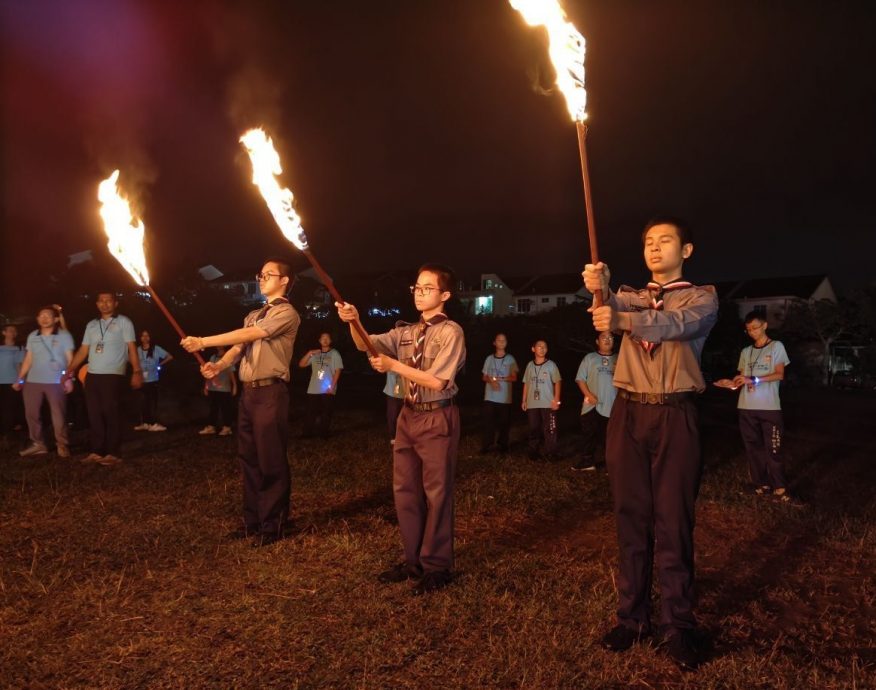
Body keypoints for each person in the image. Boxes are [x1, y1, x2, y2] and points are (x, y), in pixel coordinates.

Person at [583, 216, 718, 671]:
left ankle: (678, 624)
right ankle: (632, 617)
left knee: (674, 520)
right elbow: (606, 301)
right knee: (630, 516)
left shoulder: (702, 298)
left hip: (676, 412)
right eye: (648, 242)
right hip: (628, 412)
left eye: (665, 240)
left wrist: (620, 317)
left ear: (687, 250)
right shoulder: (629, 295)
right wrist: (596, 284)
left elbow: (673, 325)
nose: (655, 248)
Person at [336, 263, 466, 595]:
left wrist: (394, 366)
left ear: (445, 295)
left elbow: (438, 380)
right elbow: (366, 344)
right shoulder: (405, 332)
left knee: (436, 494)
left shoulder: (451, 332)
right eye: (417, 288)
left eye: (427, 288)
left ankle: (437, 566)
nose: (420, 293)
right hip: (408, 415)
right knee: (405, 490)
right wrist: (355, 322)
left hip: (437, 415)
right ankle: (414, 561)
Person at [181, 259, 300, 547]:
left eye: (268, 274)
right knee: (248, 457)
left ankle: (274, 524)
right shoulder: (253, 314)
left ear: (284, 280)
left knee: (270, 458)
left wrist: (203, 341)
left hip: (271, 393)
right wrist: (218, 365)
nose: (261, 278)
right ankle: (253, 521)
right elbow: (239, 347)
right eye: (260, 274)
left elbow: (252, 334)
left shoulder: (286, 313)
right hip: (249, 394)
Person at [715, 312, 793, 502]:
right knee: (753, 448)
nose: (752, 332)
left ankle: (780, 488)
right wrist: (731, 383)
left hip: (770, 408)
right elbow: (741, 378)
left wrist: (755, 379)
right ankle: (761, 485)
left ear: (765, 326)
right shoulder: (746, 352)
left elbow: (779, 374)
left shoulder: (776, 347)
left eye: (755, 328)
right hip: (746, 407)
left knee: (773, 449)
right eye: (748, 330)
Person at [66, 292, 142, 466]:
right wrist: (69, 370)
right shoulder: (92, 325)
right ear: (97, 304)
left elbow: (132, 347)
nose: (105, 304)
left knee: (111, 412)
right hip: (92, 374)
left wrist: (137, 371)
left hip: (113, 374)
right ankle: (97, 451)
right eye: (101, 301)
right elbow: (84, 350)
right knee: (94, 414)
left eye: (108, 301)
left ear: (115, 303)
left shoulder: (124, 322)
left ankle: (114, 452)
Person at [13, 307, 75, 457]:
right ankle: (38, 443)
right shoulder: (33, 336)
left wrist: (69, 379)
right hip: (33, 381)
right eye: (41, 315)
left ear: (55, 319)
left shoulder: (64, 335)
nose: (44, 318)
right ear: (37, 319)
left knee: (58, 414)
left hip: (56, 382)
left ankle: (62, 444)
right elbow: (28, 359)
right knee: (31, 414)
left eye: (48, 316)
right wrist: (20, 378)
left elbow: (70, 359)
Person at [573, 331, 618, 471]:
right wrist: (588, 394)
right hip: (591, 404)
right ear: (597, 341)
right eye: (603, 337)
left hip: (612, 405)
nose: (607, 340)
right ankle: (587, 461)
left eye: (610, 337)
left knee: (609, 437)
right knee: (588, 433)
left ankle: (610, 465)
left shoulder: (619, 358)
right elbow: (580, 379)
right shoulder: (590, 358)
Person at [521, 339, 561, 461]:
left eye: (545, 347)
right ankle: (533, 451)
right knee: (534, 428)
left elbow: (557, 382)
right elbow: (526, 383)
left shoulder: (551, 365)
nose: (542, 348)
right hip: (532, 403)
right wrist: (524, 400)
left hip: (548, 402)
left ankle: (551, 453)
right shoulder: (529, 365)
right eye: (539, 346)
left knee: (550, 428)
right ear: (533, 349)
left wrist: (556, 399)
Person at [298, 332, 343, 438]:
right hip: (313, 388)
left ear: (330, 341)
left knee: (326, 412)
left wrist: (332, 386)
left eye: (327, 338)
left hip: (327, 389)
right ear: (319, 341)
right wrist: (309, 353)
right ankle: (307, 434)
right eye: (323, 338)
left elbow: (338, 370)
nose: (325, 340)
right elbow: (301, 364)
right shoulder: (315, 354)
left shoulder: (334, 353)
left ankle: (323, 433)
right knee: (310, 412)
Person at [480, 333, 518, 455]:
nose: (501, 342)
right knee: (488, 422)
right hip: (490, 397)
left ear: (506, 343)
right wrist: (491, 381)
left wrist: (500, 379)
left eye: (504, 340)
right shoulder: (489, 359)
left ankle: (503, 445)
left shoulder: (510, 359)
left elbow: (514, 377)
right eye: (499, 340)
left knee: (504, 422)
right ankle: (487, 445)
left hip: (504, 397)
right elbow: (484, 377)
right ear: (494, 343)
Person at [134, 330, 174, 432]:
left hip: (152, 380)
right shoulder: (137, 350)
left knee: (151, 402)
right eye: (143, 336)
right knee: (143, 402)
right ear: (140, 338)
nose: (145, 337)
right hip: (142, 380)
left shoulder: (156, 349)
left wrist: (160, 364)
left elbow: (169, 356)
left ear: (150, 337)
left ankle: (153, 424)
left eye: (147, 335)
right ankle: (146, 423)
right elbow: (130, 359)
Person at [199, 346, 238, 436]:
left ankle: (227, 427)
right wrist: (206, 386)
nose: (219, 346)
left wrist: (234, 385)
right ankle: (211, 426)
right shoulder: (213, 357)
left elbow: (231, 372)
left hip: (224, 388)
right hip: (213, 387)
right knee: (213, 408)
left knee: (226, 408)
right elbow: (208, 372)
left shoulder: (228, 357)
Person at [0, 324, 25, 435]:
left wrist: (20, 381)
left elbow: (20, 365)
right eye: (10, 330)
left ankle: (7, 434)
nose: (13, 332)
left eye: (14, 331)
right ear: (4, 332)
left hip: (11, 381)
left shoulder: (19, 348)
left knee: (9, 408)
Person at [383, 371, 404, 444]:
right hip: (392, 390)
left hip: (407, 391)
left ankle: (403, 436)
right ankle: (394, 437)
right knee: (392, 414)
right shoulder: (390, 359)